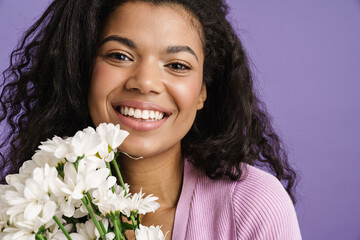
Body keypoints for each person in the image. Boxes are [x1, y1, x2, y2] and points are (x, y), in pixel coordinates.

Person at [0, 0, 302, 239]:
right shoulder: (35, 212)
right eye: (119, 56)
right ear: (82, 72)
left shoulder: (251, 205)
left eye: (177, 65)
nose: (145, 83)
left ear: (202, 92)